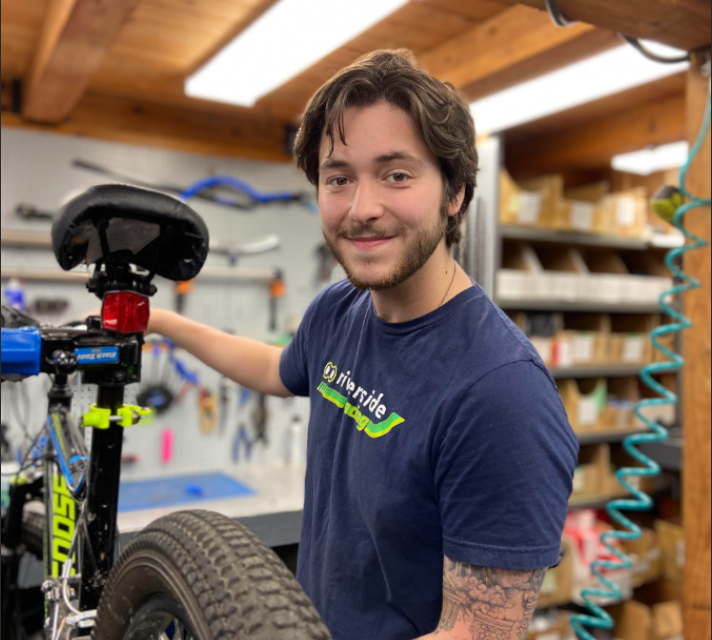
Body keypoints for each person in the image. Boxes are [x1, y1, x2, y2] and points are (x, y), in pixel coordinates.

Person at [146, 50, 579, 640]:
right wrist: (161, 322)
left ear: (454, 192)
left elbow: (477, 633)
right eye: (339, 178)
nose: (362, 208)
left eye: (396, 174)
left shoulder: (502, 393)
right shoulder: (339, 309)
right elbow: (276, 368)